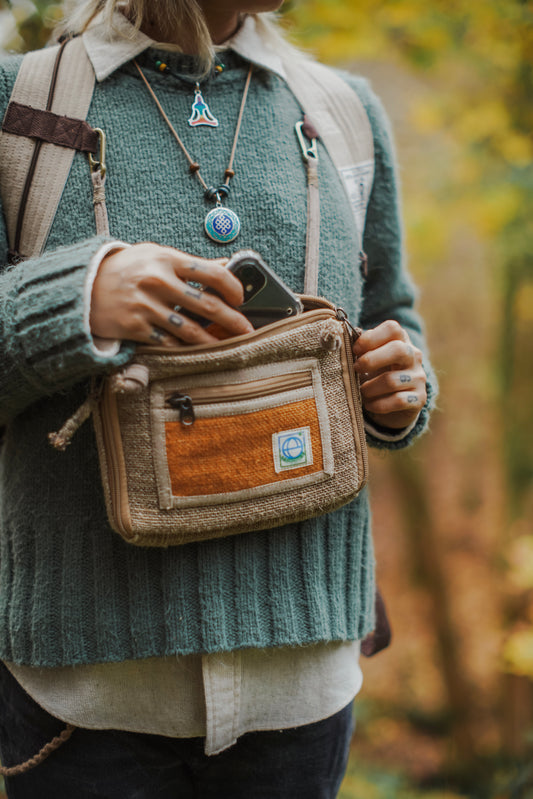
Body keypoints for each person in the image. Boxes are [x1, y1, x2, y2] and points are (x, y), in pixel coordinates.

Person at [0, 1, 436, 796]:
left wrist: (400, 387)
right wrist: (74, 299)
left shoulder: (339, 111)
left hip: (304, 684)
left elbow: (390, 313)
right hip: (84, 694)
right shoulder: (19, 109)